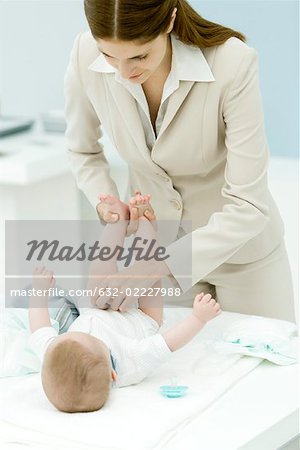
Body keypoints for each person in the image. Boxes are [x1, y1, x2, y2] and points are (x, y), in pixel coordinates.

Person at [64, 0, 295, 322]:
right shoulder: (83, 54)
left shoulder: (232, 63)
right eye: (108, 56)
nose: (123, 72)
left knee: (265, 364)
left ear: (170, 20)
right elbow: (83, 151)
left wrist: (160, 265)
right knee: (173, 364)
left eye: (139, 56)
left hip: (243, 256)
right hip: (154, 252)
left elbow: (249, 205)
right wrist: (108, 204)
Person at [28, 192, 221, 413]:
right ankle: (147, 225)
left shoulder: (53, 354)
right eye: (91, 339)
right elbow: (169, 343)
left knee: (100, 267)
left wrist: (39, 292)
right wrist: (198, 318)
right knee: (147, 266)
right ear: (113, 375)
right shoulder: (132, 364)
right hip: (144, 318)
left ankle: (117, 221)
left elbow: (39, 329)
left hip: (99, 304)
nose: (88, 334)